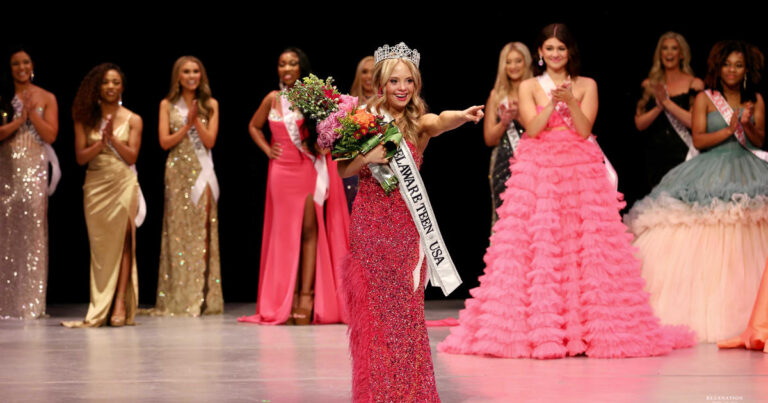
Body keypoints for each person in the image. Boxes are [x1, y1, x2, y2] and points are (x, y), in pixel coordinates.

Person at [438, 24, 694, 359]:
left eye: (561, 48)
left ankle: (587, 327)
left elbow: (585, 127)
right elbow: (532, 128)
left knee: (581, 244)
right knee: (540, 244)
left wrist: (570, 100)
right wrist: (550, 105)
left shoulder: (587, 84)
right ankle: (540, 325)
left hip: (578, 168)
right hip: (539, 169)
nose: (556, 54)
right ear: (540, 53)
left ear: (569, 52)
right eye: (550, 48)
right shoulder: (530, 85)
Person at [338, 42, 483, 401]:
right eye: (394, 82)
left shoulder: (418, 124)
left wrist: (461, 117)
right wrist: (370, 153)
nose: (402, 88)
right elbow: (343, 168)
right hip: (370, 228)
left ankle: (408, 393)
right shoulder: (364, 120)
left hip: (406, 230)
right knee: (376, 318)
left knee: (406, 317)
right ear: (381, 85)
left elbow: (439, 121)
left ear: (416, 85)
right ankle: (377, 393)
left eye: (408, 82)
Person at [625, 40, 768, 343]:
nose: (732, 70)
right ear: (719, 67)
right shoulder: (705, 98)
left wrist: (746, 125)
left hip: (746, 168)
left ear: (746, 69)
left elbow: (759, 140)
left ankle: (753, 315)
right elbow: (700, 140)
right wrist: (729, 130)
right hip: (710, 167)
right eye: (727, 64)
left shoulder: (754, 99)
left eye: (738, 65)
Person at [238, 48, 349, 325]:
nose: (286, 68)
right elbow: (253, 126)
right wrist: (267, 150)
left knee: (309, 231)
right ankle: (281, 299)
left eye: (292, 63)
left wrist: (323, 146)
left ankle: (306, 296)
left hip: (306, 169)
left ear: (301, 68)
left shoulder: (310, 97)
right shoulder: (272, 99)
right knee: (283, 235)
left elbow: (329, 129)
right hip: (280, 172)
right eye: (282, 63)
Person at [63, 63, 143, 328]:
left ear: (122, 87)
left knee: (124, 242)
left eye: (116, 82)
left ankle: (119, 302)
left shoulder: (133, 119)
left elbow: (132, 155)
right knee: (101, 248)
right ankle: (100, 303)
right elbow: (80, 157)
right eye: (106, 82)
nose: (111, 86)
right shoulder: (83, 116)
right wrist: (101, 142)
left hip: (123, 182)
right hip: (96, 185)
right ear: (97, 87)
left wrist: (114, 140)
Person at [150, 56, 223, 316]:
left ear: (201, 76)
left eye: (196, 71)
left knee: (200, 234)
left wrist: (197, 122)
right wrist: (186, 125)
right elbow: (164, 142)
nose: (191, 76)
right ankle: (178, 297)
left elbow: (210, 140)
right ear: (178, 76)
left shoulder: (210, 104)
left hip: (201, 173)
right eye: (186, 71)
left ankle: (200, 297)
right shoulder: (167, 105)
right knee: (177, 234)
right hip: (176, 173)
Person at [0, 47, 59, 319]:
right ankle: (6, 302)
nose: (21, 67)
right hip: (7, 165)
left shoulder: (46, 97)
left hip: (35, 163)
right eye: (15, 63)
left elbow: (51, 134)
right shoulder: (3, 96)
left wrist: (32, 116)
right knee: (7, 230)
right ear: (10, 68)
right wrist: (18, 120)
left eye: (25, 62)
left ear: (32, 65)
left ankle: (31, 303)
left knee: (34, 229)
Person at [635, 32, 704, 192]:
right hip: (656, 156)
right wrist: (659, 107)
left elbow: (694, 122)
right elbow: (639, 124)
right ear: (660, 54)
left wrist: (667, 102)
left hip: (685, 154)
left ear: (681, 54)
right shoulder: (649, 84)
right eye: (665, 49)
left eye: (674, 48)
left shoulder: (694, 83)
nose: (669, 53)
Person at [484, 42, 532, 227]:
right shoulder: (496, 95)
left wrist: (519, 114)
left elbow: (542, 131)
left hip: (534, 163)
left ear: (526, 62)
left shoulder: (536, 91)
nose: (513, 66)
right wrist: (504, 121)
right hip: (504, 165)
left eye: (518, 61)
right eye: (508, 62)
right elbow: (489, 138)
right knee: (507, 220)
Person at [343, 55, 375, 211]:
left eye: (373, 72)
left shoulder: (389, 106)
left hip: (379, 172)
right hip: (353, 170)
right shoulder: (348, 105)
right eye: (364, 72)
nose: (368, 76)